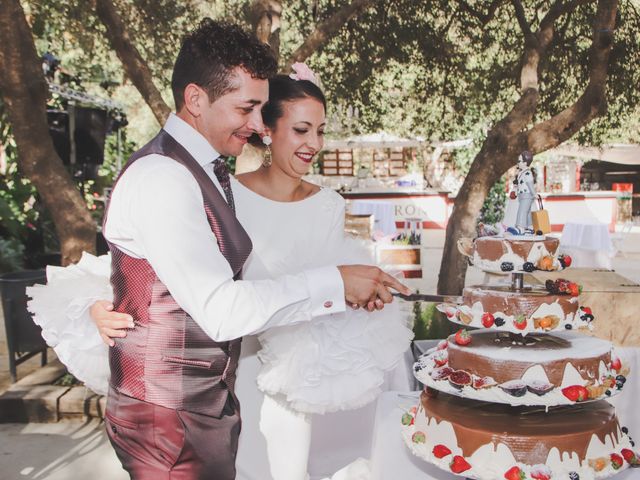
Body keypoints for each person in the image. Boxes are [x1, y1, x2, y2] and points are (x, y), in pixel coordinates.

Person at [29, 20, 408, 480]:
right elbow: (219, 309)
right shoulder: (163, 178)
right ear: (195, 99)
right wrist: (335, 281)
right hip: (169, 415)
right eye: (246, 108)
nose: (255, 125)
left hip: (202, 406)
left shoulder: (203, 171)